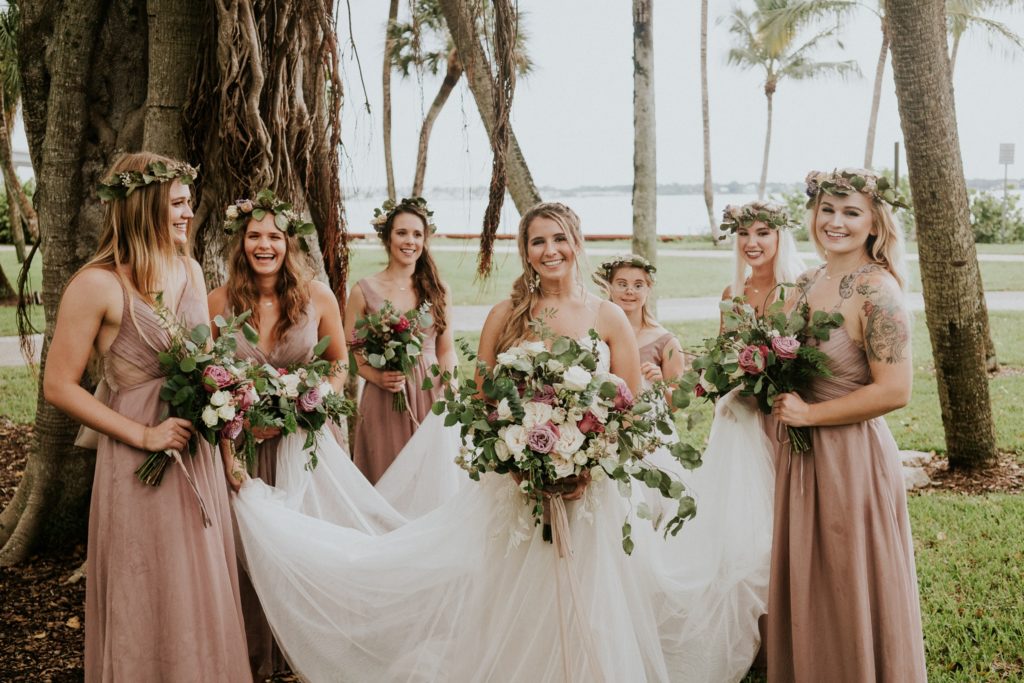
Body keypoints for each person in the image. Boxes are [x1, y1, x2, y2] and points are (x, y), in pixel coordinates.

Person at [230, 202, 774, 682]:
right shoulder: (505, 316)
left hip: (593, 492)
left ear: (576, 244)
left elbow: (631, 405)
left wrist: (588, 458)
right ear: (526, 251)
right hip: (517, 488)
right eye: (538, 240)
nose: (550, 249)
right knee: (520, 593)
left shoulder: (607, 316)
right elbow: (479, 404)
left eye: (559, 238)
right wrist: (519, 457)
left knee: (594, 592)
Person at [43, 152, 250, 681]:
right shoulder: (96, 285)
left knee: (196, 577)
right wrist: (144, 433)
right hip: (138, 460)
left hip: (194, 449)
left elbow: (211, 369)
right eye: (178, 203)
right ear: (145, 207)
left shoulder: (190, 270)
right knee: (148, 578)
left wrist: (228, 453)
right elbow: (58, 385)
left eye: (188, 203)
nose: (188, 213)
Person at [209, 190, 408, 679]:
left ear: (288, 243)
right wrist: (229, 446)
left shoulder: (317, 295)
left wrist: (310, 397)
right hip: (246, 443)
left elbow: (338, 363)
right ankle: (260, 654)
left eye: (273, 236)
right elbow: (207, 377)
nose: (264, 245)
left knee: (315, 540)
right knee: (250, 549)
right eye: (254, 236)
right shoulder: (217, 301)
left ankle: (321, 646)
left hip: (306, 440)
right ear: (241, 243)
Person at [769, 168, 926, 681]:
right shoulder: (807, 281)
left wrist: (810, 414)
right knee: (811, 577)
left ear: (874, 224)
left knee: (847, 577)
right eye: (827, 210)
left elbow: (895, 391)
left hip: (850, 459)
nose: (835, 222)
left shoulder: (878, 293)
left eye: (851, 212)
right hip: (799, 455)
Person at [344, 197, 457, 484]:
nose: (410, 241)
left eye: (417, 234)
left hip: (429, 393)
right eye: (402, 233)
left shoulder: (439, 290)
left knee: (429, 479)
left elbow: (446, 349)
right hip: (384, 396)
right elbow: (352, 354)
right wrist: (378, 377)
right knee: (385, 473)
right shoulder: (363, 290)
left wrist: (451, 386)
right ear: (387, 237)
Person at [593, 253, 685, 390]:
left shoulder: (667, 343)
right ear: (609, 287)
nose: (629, 291)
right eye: (622, 284)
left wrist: (660, 384)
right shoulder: (594, 332)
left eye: (638, 285)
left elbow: (675, 405)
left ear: (648, 289)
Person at [720, 200, 807, 319]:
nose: (751, 243)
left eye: (762, 233)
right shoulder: (731, 294)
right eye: (744, 233)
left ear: (779, 238)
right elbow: (725, 337)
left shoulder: (799, 292)